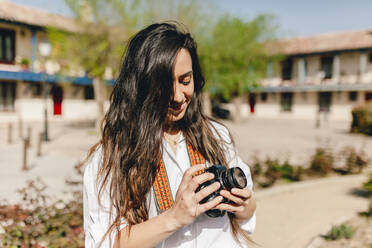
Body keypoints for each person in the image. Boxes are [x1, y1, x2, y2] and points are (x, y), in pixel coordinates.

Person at [83, 22, 257, 248]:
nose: (177, 96)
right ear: (140, 86)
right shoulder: (110, 156)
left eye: (186, 81)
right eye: (163, 85)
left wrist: (244, 206)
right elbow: (104, 243)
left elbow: (248, 214)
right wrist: (174, 217)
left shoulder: (216, 135)